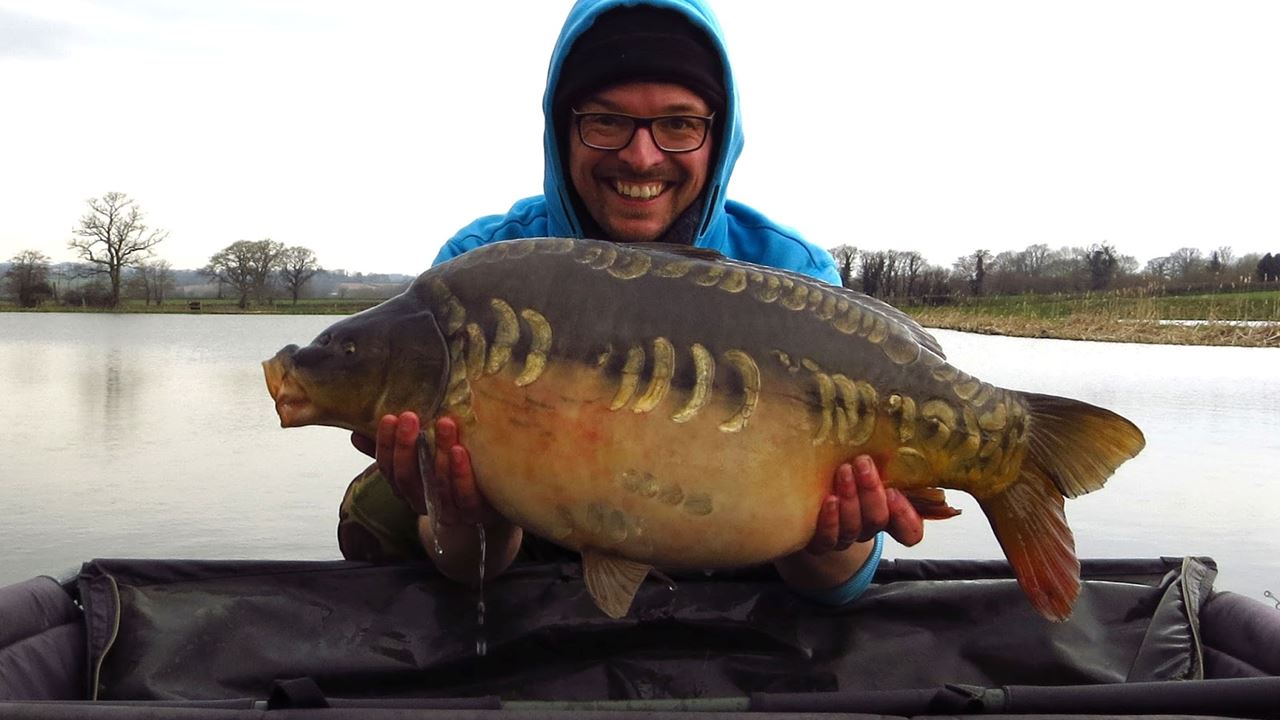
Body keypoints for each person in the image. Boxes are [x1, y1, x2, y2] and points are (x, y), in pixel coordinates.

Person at [338, 0, 924, 609]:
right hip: (533, 533)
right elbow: (469, 568)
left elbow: (836, 586)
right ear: (562, 129)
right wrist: (467, 520)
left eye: (679, 124)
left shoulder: (791, 276)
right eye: (606, 121)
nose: (641, 156)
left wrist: (832, 539)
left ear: (718, 137)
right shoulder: (478, 269)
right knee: (378, 506)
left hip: (740, 539)